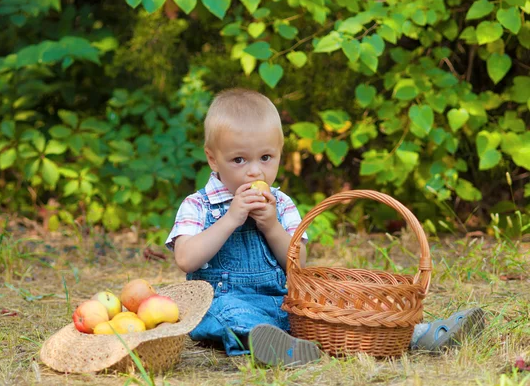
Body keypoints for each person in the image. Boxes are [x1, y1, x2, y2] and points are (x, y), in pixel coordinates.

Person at [165, 88, 485, 367]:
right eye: (239, 160)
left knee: (331, 309)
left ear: (279, 155)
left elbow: (299, 265)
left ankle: (418, 333)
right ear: (212, 159)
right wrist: (231, 219)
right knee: (232, 314)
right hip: (224, 300)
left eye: (265, 158)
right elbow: (186, 259)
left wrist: (271, 226)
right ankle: (272, 345)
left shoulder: (281, 204)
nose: (254, 172)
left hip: (282, 299)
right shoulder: (199, 205)